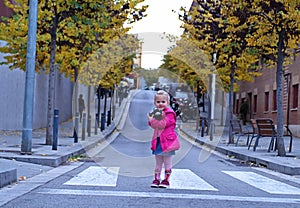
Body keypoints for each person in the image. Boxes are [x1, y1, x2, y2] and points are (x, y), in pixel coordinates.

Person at [148, 90, 180, 188]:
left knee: (167, 161)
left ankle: (166, 180)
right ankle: (156, 179)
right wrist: (152, 120)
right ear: (155, 102)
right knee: (158, 162)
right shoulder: (156, 112)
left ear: (168, 103)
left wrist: (152, 119)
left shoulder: (170, 113)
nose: (160, 104)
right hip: (158, 141)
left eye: (163, 102)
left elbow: (162, 124)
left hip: (167, 141)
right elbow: (152, 125)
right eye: (158, 102)